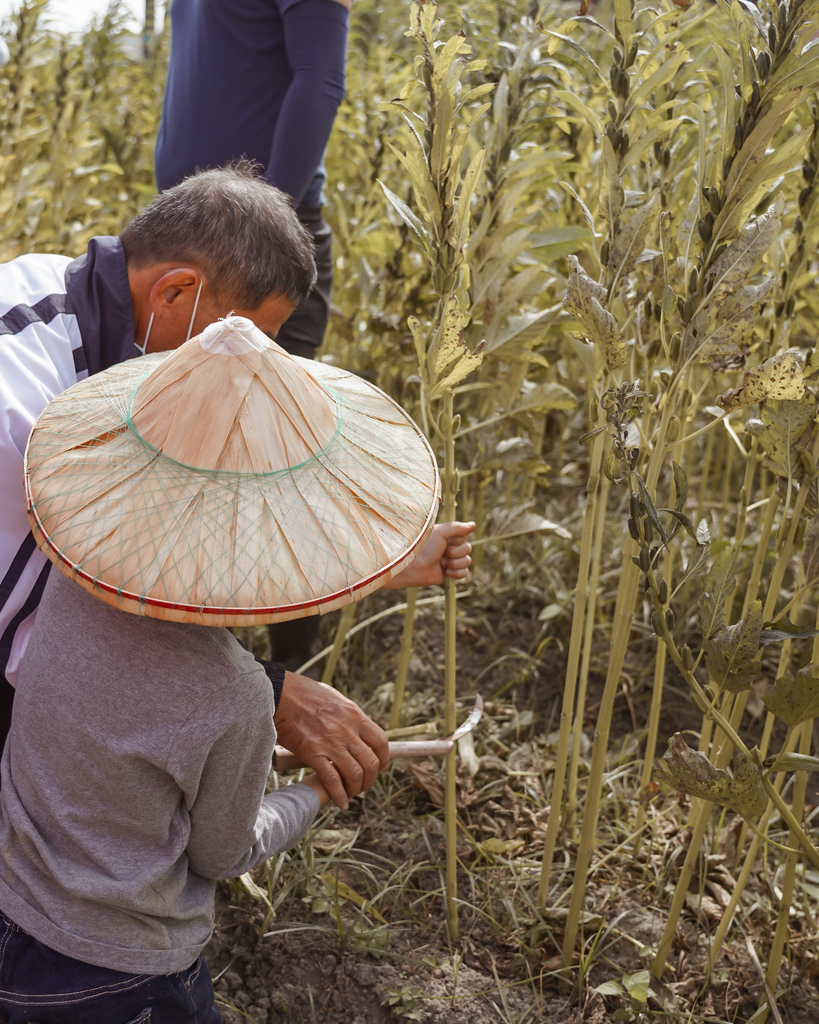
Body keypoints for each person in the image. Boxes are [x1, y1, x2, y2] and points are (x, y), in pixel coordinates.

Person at [0, 314, 468, 1021]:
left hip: (14, 921)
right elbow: (226, 851)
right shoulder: (232, 697)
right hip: (124, 974)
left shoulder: (70, 588)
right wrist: (315, 791)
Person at [0, 163, 473, 808]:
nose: (250, 370)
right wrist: (265, 695)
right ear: (175, 292)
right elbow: (62, 646)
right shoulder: (21, 415)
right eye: (242, 337)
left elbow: (152, 521)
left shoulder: (79, 298)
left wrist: (357, 554)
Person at [155, 0, 353, 671]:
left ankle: (283, 692)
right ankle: (210, 684)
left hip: (261, 252)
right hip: (191, 243)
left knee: (274, 472)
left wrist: (267, 227)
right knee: (188, 463)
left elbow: (321, 78)